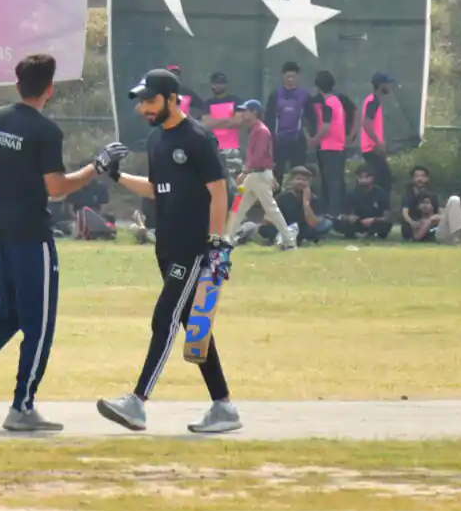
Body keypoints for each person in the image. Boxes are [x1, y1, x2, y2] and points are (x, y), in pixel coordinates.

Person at [0, 52, 105, 434]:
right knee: (38, 326)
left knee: (8, 316)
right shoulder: (46, 131)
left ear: (17, 84)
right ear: (49, 89)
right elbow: (56, 189)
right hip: (30, 237)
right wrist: (97, 168)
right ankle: (21, 407)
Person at [90, 70, 242, 435]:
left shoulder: (198, 139)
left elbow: (219, 192)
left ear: (172, 99)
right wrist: (116, 175)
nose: (143, 108)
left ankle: (137, 402)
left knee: (165, 319)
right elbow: (157, 189)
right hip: (167, 246)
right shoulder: (157, 139)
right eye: (142, 101)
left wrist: (215, 243)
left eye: (150, 100)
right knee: (192, 324)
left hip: (194, 246)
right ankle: (223, 406)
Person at [229, 101, 296, 250]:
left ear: (254, 112)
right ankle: (229, 239)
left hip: (258, 174)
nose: (243, 113)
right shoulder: (256, 129)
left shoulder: (261, 130)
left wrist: (245, 172)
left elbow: (259, 156)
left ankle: (289, 240)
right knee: (239, 206)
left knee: (270, 209)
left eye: (246, 110)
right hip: (255, 175)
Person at [310, 70, 354, 216]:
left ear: (318, 87)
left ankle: (332, 213)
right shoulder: (336, 100)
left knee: (331, 183)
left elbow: (326, 126)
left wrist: (313, 141)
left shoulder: (326, 103)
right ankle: (337, 212)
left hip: (329, 147)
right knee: (336, 181)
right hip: (337, 146)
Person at [262, 62, 315, 181]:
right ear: (283, 76)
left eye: (293, 76)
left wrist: (312, 137)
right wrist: (268, 139)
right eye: (288, 76)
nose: (290, 79)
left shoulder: (304, 95)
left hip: (297, 141)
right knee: (276, 174)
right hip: (278, 141)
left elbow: (311, 117)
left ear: (298, 77)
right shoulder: (275, 94)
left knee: (299, 174)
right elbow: (268, 117)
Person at [355, 72, 397, 191]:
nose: (389, 86)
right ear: (380, 85)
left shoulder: (374, 100)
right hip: (372, 148)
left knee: (381, 180)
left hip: (372, 147)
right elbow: (366, 123)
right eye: (387, 83)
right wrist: (378, 143)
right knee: (383, 181)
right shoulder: (373, 101)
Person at [332, 164, 394, 239]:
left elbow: (387, 216)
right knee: (338, 223)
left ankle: (371, 234)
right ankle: (356, 234)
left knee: (386, 224)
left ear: (372, 178)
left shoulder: (380, 193)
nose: (362, 180)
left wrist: (374, 219)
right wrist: (349, 217)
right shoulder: (351, 193)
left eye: (366, 177)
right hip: (357, 223)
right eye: (360, 177)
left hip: (373, 222)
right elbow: (342, 215)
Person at [276, 165, 333, 245]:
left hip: (304, 227)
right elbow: (267, 218)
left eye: (304, 180)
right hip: (285, 226)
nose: (301, 182)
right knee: (265, 229)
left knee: (327, 224)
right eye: (298, 179)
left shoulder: (314, 198)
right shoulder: (282, 197)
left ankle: (294, 237)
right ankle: (288, 236)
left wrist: (306, 201)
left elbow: (313, 222)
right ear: (292, 181)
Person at [202, 72, 241, 160]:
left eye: (221, 83)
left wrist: (214, 122)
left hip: (232, 147)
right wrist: (228, 120)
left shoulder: (235, 101)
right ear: (212, 85)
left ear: (226, 85)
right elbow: (206, 124)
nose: (218, 86)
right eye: (216, 83)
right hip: (213, 147)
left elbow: (237, 121)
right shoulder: (208, 103)